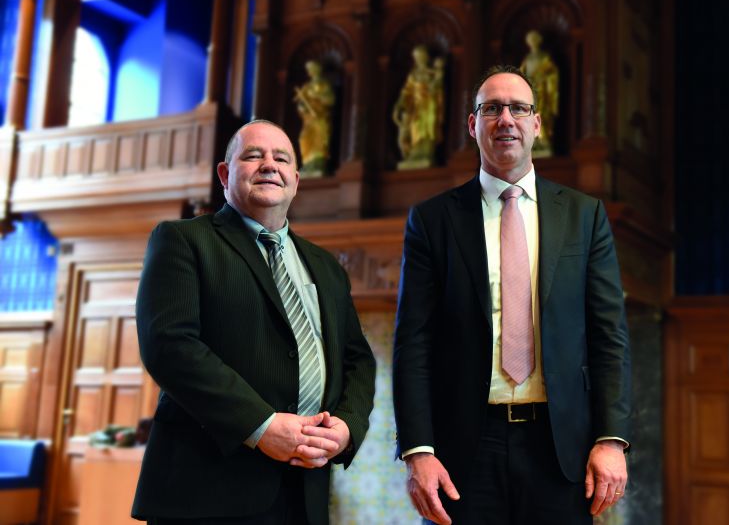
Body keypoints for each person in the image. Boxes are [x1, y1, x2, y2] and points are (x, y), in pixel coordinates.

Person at [393, 66, 632, 524]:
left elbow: (610, 338)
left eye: (518, 108)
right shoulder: (432, 221)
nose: (506, 119)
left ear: (536, 123)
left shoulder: (585, 216)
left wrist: (611, 438)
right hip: (463, 451)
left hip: (561, 450)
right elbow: (413, 343)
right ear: (473, 124)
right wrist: (417, 451)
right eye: (492, 109)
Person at [132, 120, 376, 525]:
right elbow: (170, 346)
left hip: (304, 492)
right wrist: (260, 426)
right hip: (207, 491)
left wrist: (347, 428)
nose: (269, 165)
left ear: (295, 180)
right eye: (253, 155)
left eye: (281, 158)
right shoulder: (183, 240)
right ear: (225, 174)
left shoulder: (326, 267)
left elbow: (358, 360)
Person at [392, 45, 445, 169]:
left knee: (427, 129)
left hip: (429, 105)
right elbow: (406, 92)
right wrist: (400, 105)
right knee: (414, 128)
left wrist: (437, 78)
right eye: (417, 57)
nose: (419, 59)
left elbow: (437, 87)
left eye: (421, 56)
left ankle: (426, 154)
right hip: (415, 106)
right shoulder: (413, 74)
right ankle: (414, 154)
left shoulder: (432, 72)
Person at [519, 30, 559, 156]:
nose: (532, 43)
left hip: (542, 91)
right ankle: (532, 142)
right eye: (530, 41)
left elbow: (552, 74)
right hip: (530, 92)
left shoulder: (544, 57)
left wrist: (544, 80)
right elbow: (521, 75)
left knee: (541, 113)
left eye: (534, 40)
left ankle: (543, 139)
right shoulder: (527, 59)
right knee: (528, 114)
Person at [294, 60, 335, 176]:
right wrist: (303, 107)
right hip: (308, 120)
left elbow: (330, 99)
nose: (310, 72)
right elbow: (301, 103)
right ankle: (308, 165)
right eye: (309, 70)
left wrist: (316, 95)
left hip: (320, 118)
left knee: (319, 140)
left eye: (312, 69)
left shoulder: (323, 84)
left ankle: (318, 164)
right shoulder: (307, 87)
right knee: (304, 138)